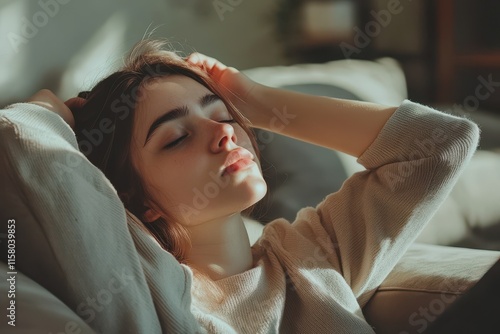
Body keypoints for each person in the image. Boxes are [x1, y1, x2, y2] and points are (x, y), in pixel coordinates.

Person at [0, 39, 480, 333]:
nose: (224, 133)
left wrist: (257, 100)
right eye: (177, 137)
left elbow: (442, 143)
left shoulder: (313, 255)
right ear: (135, 200)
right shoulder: (144, 283)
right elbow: (26, 147)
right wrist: (49, 108)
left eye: (223, 114)